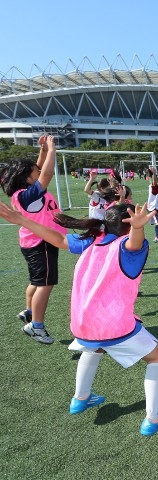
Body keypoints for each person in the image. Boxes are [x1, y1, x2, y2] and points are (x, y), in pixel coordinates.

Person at [0, 201, 158, 436]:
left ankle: (81, 398)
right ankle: (153, 418)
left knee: (94, 348)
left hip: (82, 323)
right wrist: (139, 228)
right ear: (127, 226)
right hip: (111, 326)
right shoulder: (128, 247)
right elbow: (133, 244)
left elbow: (59, 240)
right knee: (156, 357)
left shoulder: (94, 240)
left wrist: (21, 220)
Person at [0, 135, 66, 344]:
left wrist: (44, 150)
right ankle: (36, 326)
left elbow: (38, 169)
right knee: (45, 284)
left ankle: (29, 311)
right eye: (34, 172)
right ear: (28, 178)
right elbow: (45, 172)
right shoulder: (28, 195)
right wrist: (53, 148)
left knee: (36, 282)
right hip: (41, 243)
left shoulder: (23, 192)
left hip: (33, 242)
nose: (38, 171)